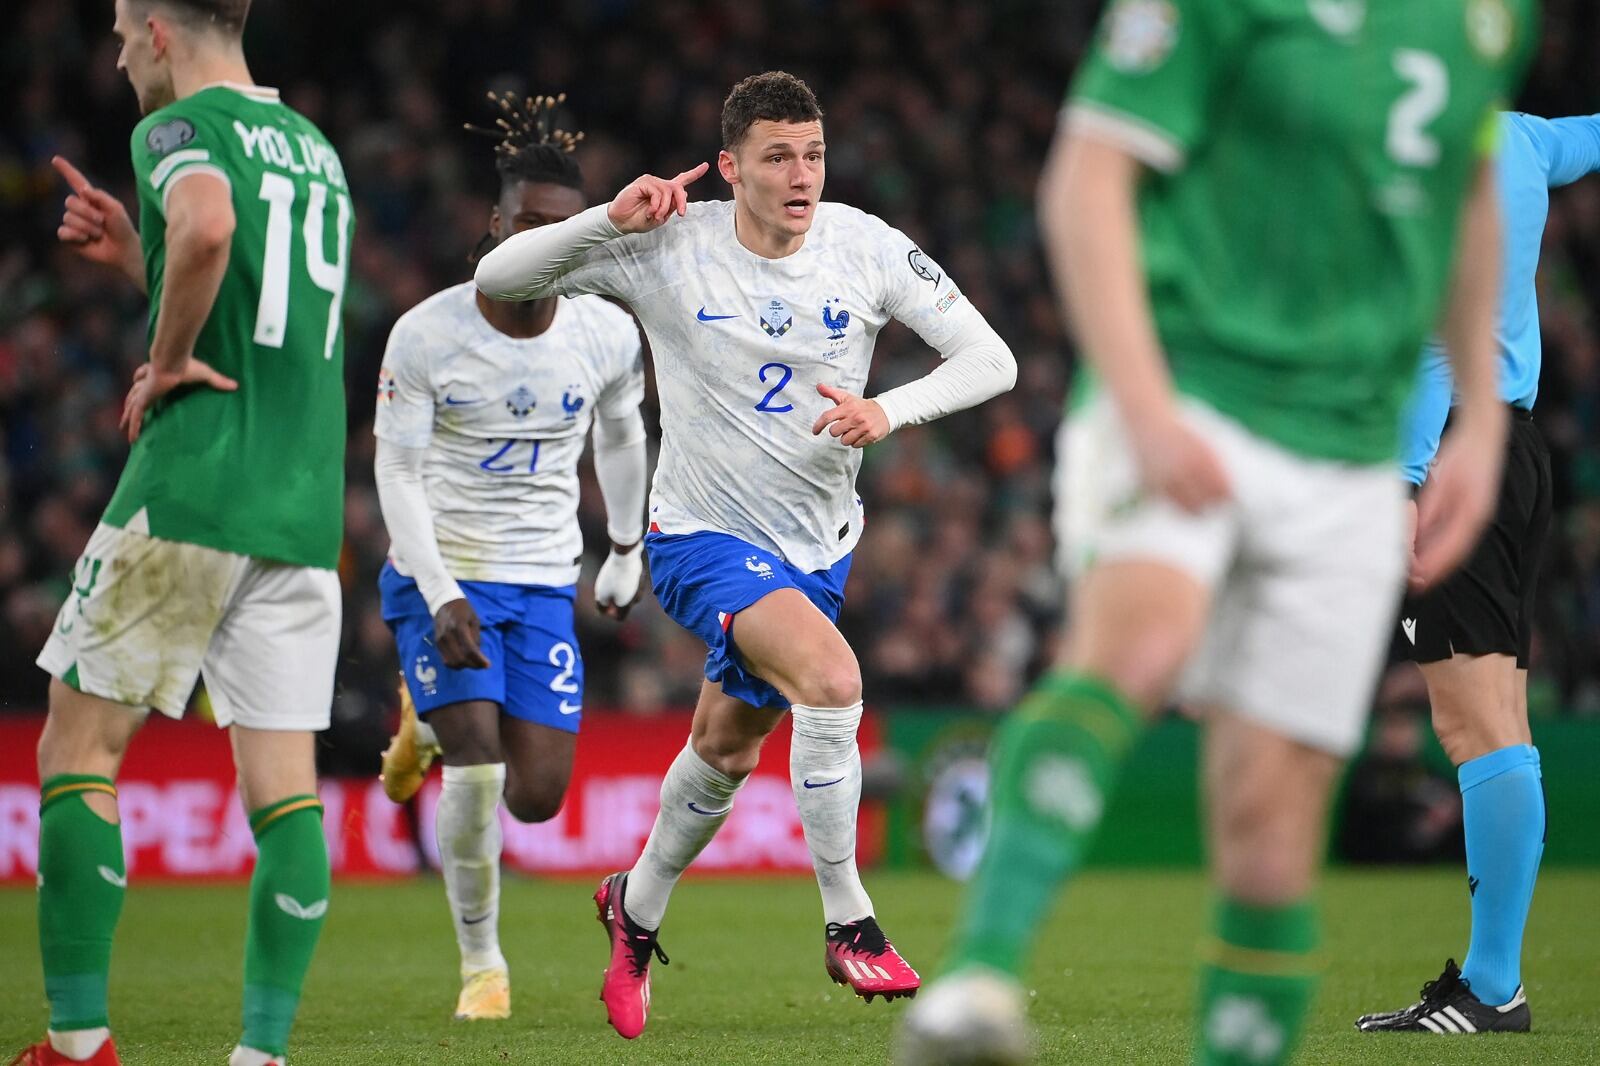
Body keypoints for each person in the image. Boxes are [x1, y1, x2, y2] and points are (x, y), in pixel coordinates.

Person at [897, 0, 1530, 1063]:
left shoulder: (1488, 20)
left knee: (1272, 841)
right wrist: (1143, 407)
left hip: (1350, 448)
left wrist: (1478, 417)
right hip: (1191, 385)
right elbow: (1085, 179)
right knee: (1139, 645)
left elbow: (1467, 196)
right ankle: (978, 982)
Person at [475, 70, 1016, 1039]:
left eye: (811, 152)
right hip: (699, 536)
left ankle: (631, 912)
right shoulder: (666, 244)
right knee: (832, 678)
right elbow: (499, 279)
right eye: (776, 155)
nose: (800, 173)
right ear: (730, 167)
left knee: (724, 748)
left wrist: (888, 409)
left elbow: (991, 360)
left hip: (817, 550)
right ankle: (848, 919)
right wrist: (607, 216)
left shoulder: (864, 245)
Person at [17, 0, 352, 1063]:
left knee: (77, 750)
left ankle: (77, 1047)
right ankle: (260, 1056)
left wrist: (161, 362)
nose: (113, 50)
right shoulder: (317, 151)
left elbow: (207, 227)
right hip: (300, 511)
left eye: (121, 24)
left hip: (192, 487)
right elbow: (267, 306)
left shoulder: (176, 130)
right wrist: (138, 260)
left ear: (160, 28)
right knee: (285, 797)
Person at [372, 91, 648, 1022]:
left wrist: (623, 545)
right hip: (439, 571)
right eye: (526, 226)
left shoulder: (606, 331)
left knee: (535, 798)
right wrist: (439, 588)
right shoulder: (426, 335)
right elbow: (396, 473)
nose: (542, 245)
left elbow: (621, 434)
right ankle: (482, 968)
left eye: (561, 231)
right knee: (479, 769)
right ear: (494, 229)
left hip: (540, 580)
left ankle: (418, 721)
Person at [1356, 110, 1600, 1036]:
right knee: (1498, 713)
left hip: (1456, 452)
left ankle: (1496, 987)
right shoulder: (1524, 138)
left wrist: (1405, 484)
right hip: (1515, 446)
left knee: (1475, 724)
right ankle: (1497, 979)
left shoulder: (1421, 146)